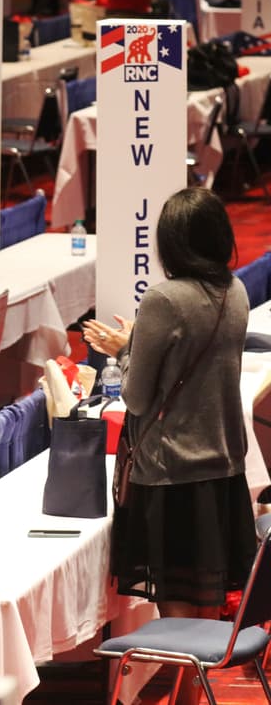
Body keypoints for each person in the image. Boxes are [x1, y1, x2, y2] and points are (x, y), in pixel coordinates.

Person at [84, 187, 252, 705]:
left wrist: (127, 346)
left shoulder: (163, 299)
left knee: (178, 622)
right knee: (204, 611)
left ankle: (187, 701)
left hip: (172, 470)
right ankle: (193, 700)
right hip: (223, 465)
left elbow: (134, 398)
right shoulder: (237, 291)